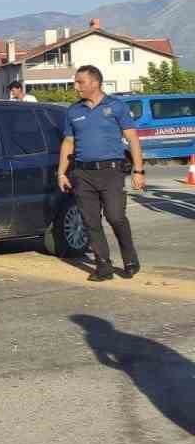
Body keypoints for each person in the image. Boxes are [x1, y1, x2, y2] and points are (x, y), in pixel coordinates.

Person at [58, 65, 145, 282]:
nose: (76, 86)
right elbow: (68, 142)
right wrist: (61, 173)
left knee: (115, 217)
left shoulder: (116, 107)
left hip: (111, 172)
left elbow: (133, 139)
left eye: (80, 82)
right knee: (90, 222)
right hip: (82, 174)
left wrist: (138, 170)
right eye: (75, 82)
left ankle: (130, 258)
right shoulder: (73, 111)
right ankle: (103, 266)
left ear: (95, 83)